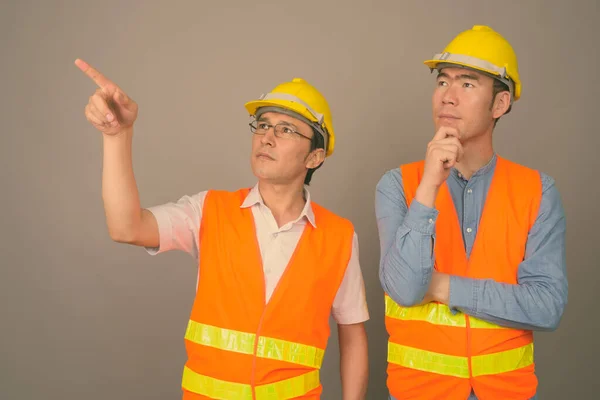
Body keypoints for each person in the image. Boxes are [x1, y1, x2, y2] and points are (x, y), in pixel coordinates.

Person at [75, 58, 369, 400]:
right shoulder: (209, 210)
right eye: (262, 125)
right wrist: (117, 136)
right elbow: (126, 227)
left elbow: (353, 335)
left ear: (315, 157)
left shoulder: (339, 236)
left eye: (286, 129)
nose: (267, 138)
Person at [375, 25, 568, 400]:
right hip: (417, 393)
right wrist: (428, 186)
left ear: (500, 104)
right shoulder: (397, 184)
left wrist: (443, 287)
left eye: (466, 84)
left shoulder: (538, 191)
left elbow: (547, 306)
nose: (448, 97)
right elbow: (404, 288)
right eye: (443, 81)